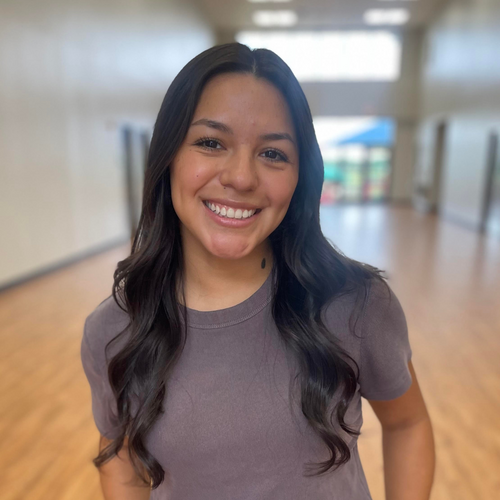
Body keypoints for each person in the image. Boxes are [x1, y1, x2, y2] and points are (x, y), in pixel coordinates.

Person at [81, 42, 435, 500]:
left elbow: (407, 423)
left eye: (273, 153)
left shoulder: (357, 305)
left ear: (300, 176)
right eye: (211, 143)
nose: (242, 177)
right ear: (168, 157)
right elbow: (121, 455)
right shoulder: (115, 328)